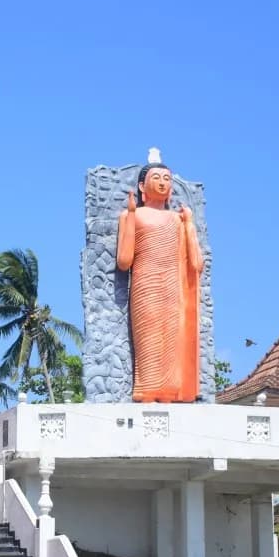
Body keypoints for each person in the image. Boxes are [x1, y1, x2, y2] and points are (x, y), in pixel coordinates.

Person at [116, 162, 202, 402]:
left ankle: (171, 394)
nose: (163, 182)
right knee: (150, 339)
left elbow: (197, 264)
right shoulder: (132, 214)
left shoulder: (177, 220)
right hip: (146, 284)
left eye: (167, 178)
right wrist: (132, 214)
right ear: (142, 186)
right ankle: (146, 390)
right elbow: (124, 261)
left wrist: (189, 224)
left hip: (173, 287)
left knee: (173, 341)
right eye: (157, 177)